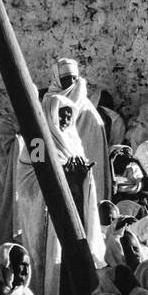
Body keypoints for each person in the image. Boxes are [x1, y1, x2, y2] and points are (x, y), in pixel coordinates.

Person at [11, 93, 105, 295]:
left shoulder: (73, 140)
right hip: (43, 210)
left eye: (68, 116)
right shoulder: (36, 140)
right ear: (49, 115)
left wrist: (81, 174)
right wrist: (65, 172)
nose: (64, 121)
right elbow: (33, 174)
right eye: (60, 115)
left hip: (72, 207)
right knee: (43, 261)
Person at [49, 58, 112, 202]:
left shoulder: (87, 110)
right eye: (65, 79)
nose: (70, 83)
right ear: (56, 80)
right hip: (54, 170)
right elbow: (37, 142)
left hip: (81, 168)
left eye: (73, 78)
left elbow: (94, 147)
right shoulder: (49, 104)